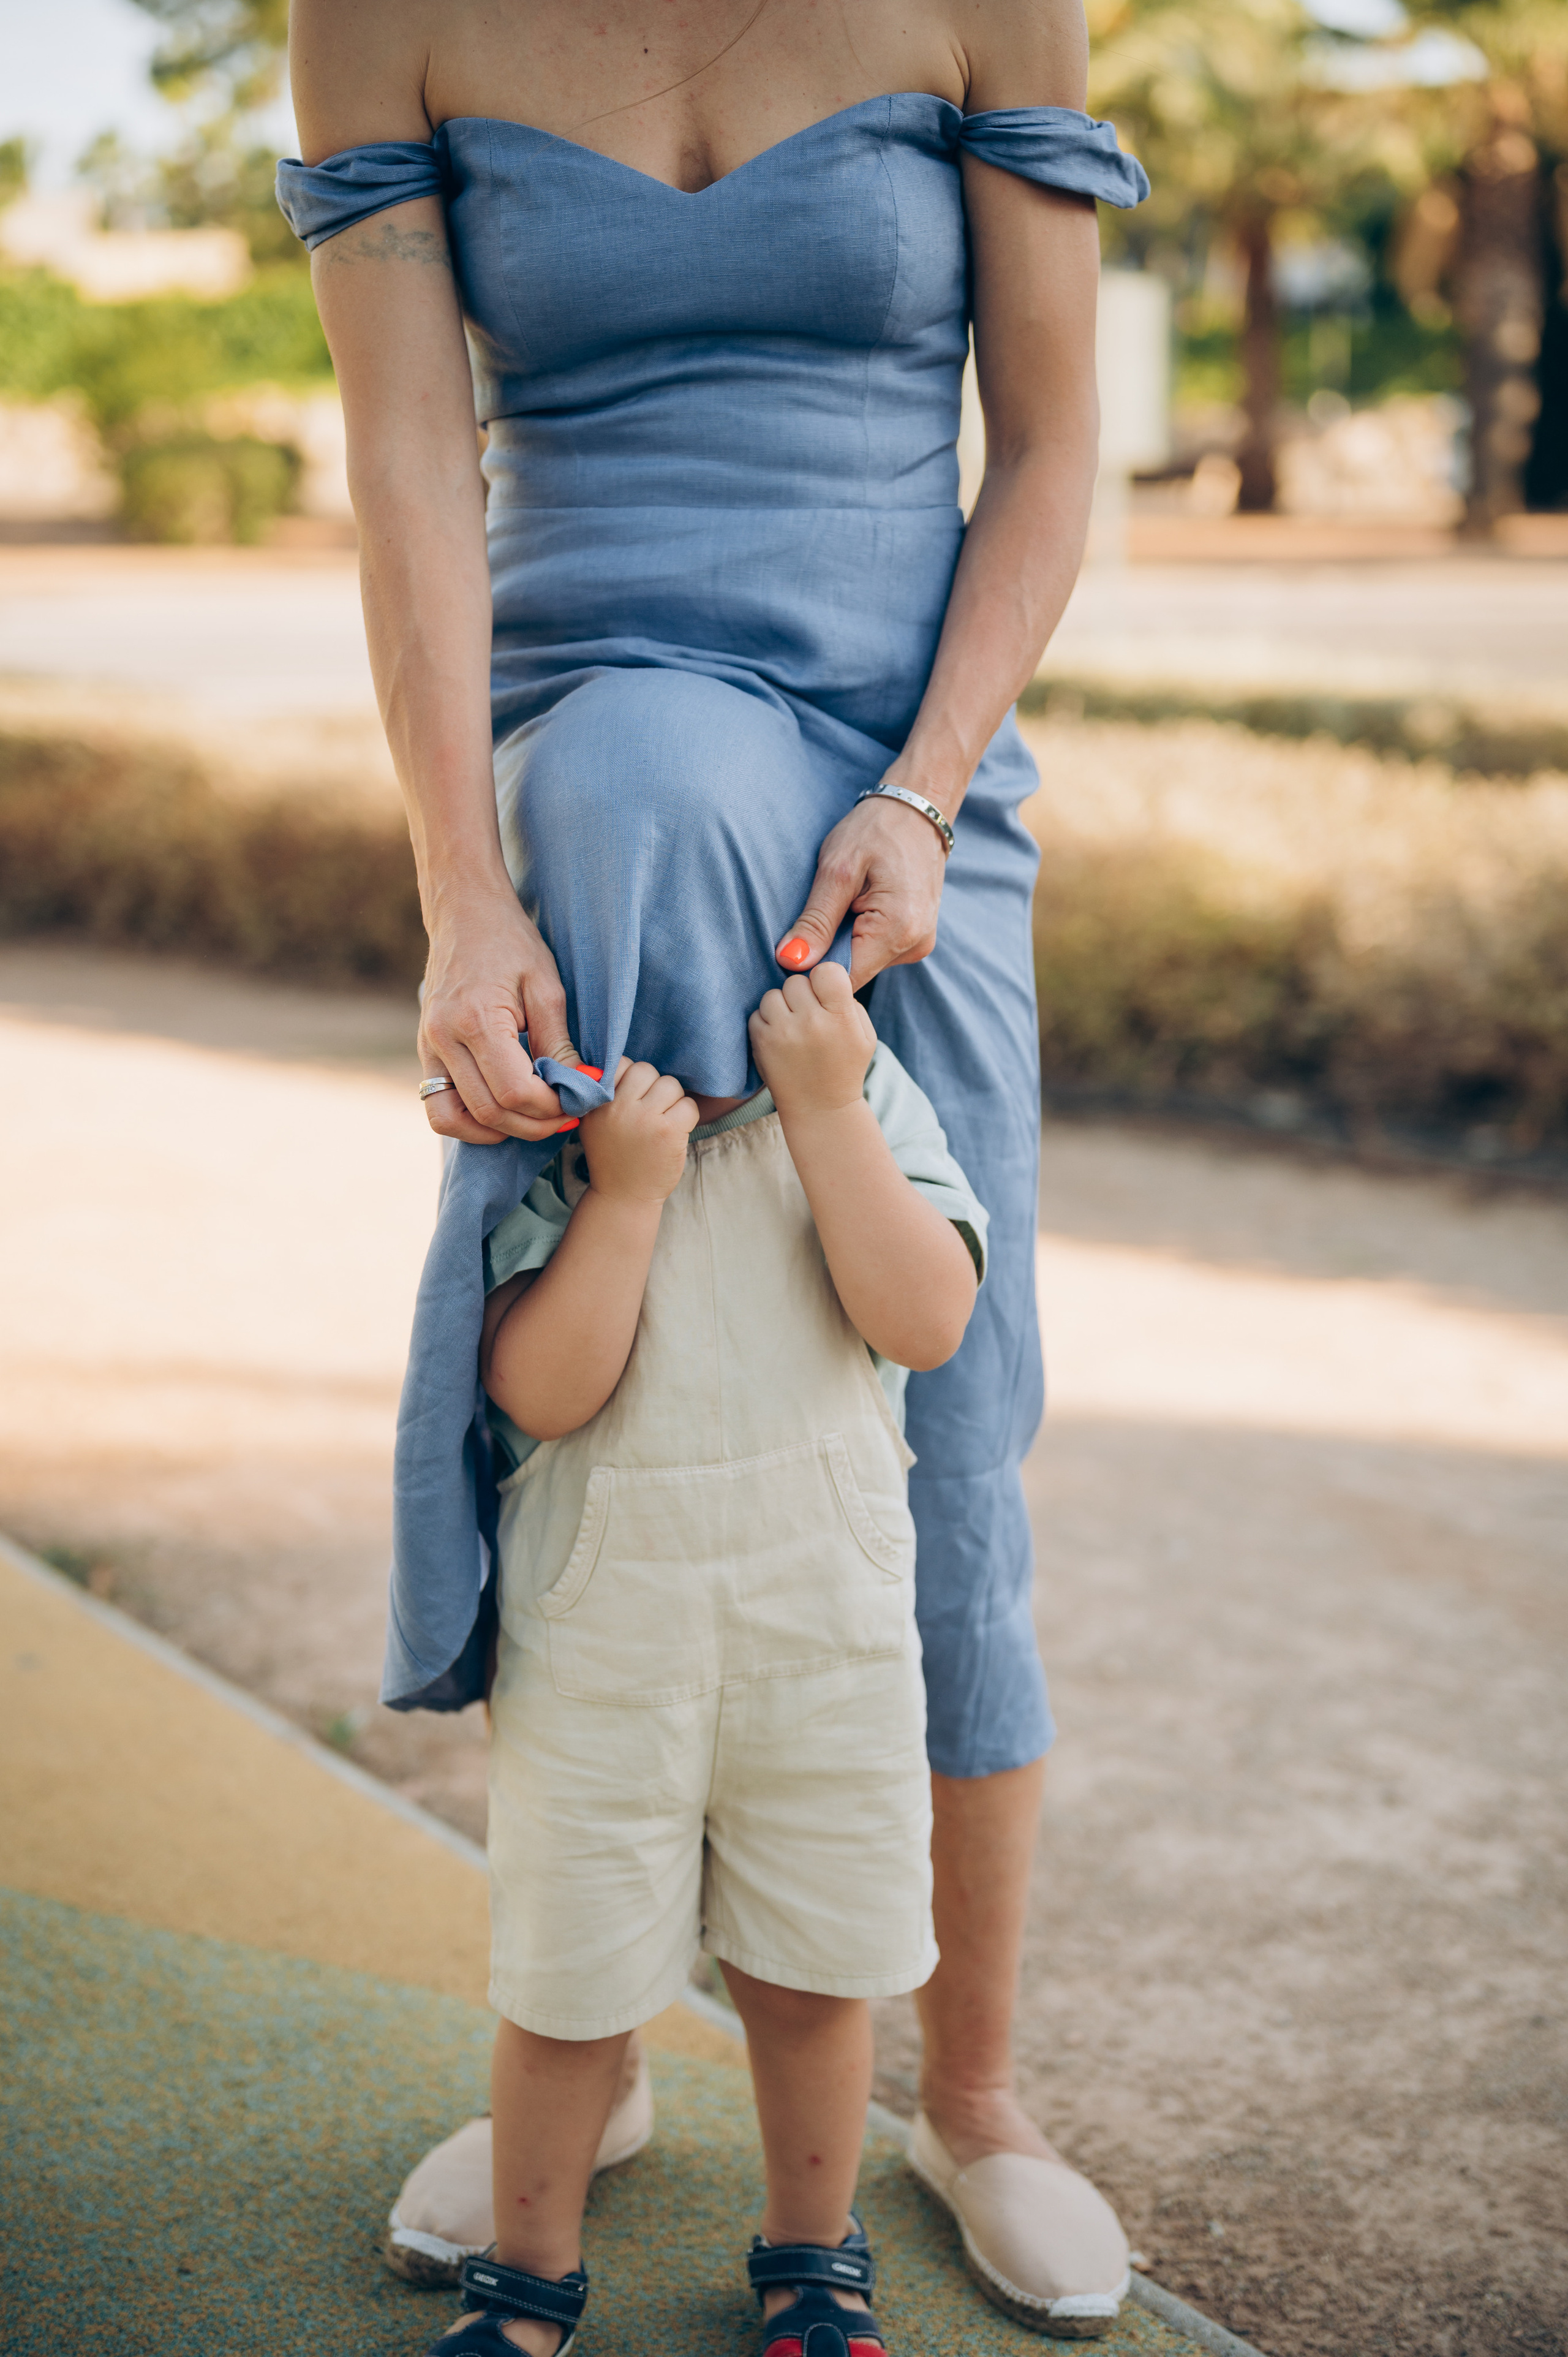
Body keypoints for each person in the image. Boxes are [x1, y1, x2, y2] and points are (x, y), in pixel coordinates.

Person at [277, 0, 1148, 2336]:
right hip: (593, 762)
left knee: (945, 1404)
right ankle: (594, 2035)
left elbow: (1058, 439)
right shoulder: (380, 20)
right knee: (623, 1384)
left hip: (909, 776)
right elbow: (405, 460)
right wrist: (464, 892)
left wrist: (923, 793)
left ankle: (976, 2094)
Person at [438, 912, 986, 2357]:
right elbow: (539, 1389)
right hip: (604, 1650)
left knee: (812, 1975)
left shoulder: (859, 1084)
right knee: (567, 1988)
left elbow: (926, 1317)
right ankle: (528, 2278)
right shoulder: (556, 1120)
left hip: (823, 1636)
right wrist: (623, 1194)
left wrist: (824, 1106)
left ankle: (811, 2263)